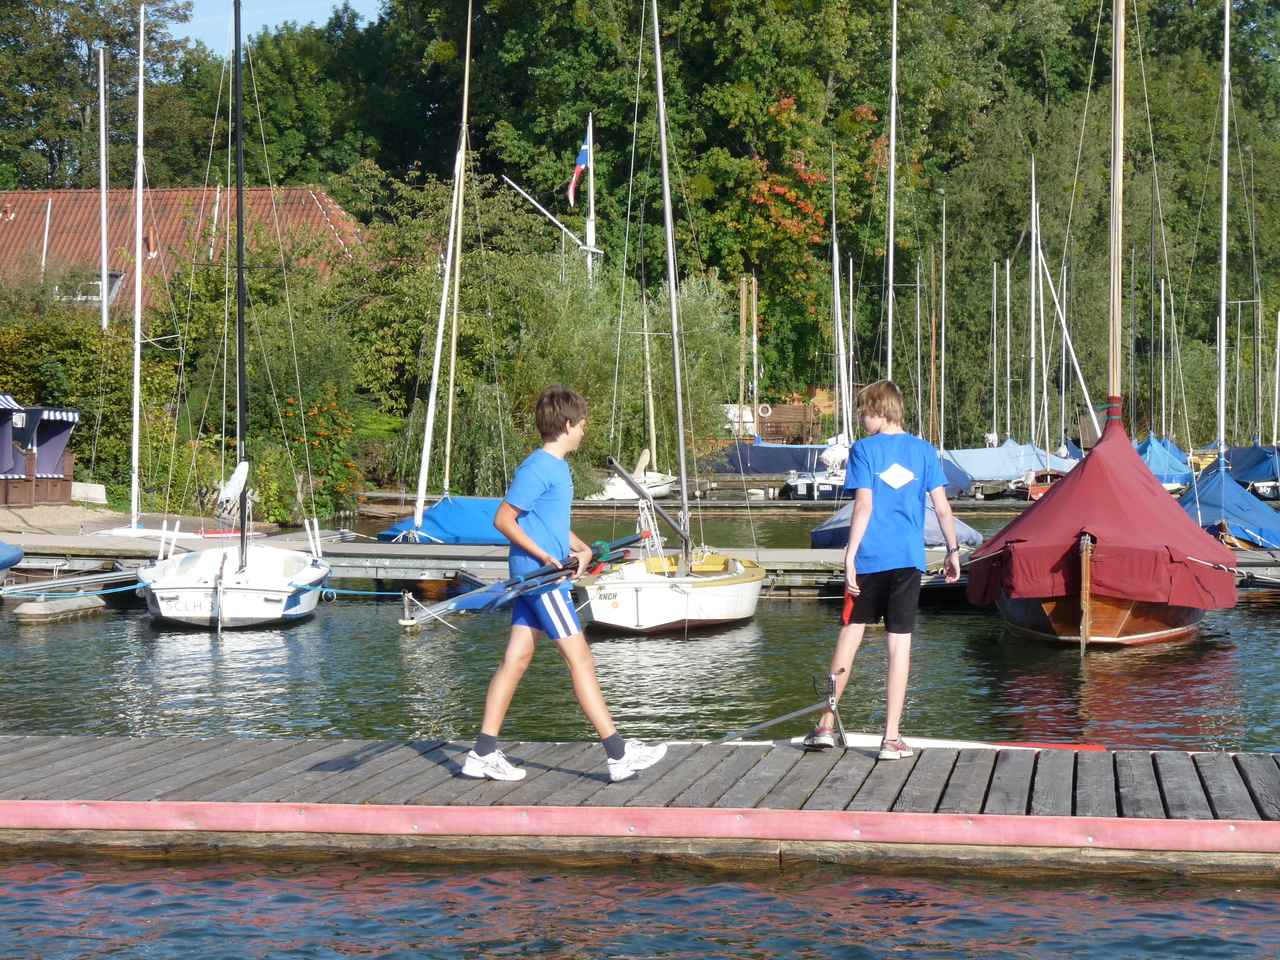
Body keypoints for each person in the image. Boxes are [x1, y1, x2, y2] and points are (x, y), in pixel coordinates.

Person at [460, 385, 668, 783]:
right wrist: (544, 557)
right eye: (583, 425)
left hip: (537, 576)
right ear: (568, 425)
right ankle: (619, 754)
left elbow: (549, 522)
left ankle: (481, 754)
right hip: (542, 580)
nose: (585, 432)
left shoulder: (558, 467)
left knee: (517, 659)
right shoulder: (538, 468)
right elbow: (503, 519)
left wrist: (582, 548)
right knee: (582, 660)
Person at [804, 379, 962, 759]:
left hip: (870, 559)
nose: (861, 419)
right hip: (908, 559)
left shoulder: (864, 450)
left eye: (864, 412)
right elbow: (942, 509)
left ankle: (826, 724)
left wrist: (850, 556)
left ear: (880, 410)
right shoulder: (924, 451)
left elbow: (863, 505)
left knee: (850, 636)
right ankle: (891, 738)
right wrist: (953, 551)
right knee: (899, 645)